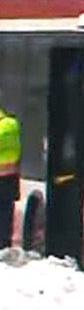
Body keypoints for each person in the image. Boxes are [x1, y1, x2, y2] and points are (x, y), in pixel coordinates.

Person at [0, 105, 17, 249]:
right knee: (6, 215)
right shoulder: (12, 124)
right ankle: (5, 245)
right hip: (11, 178)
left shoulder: (3, 128)